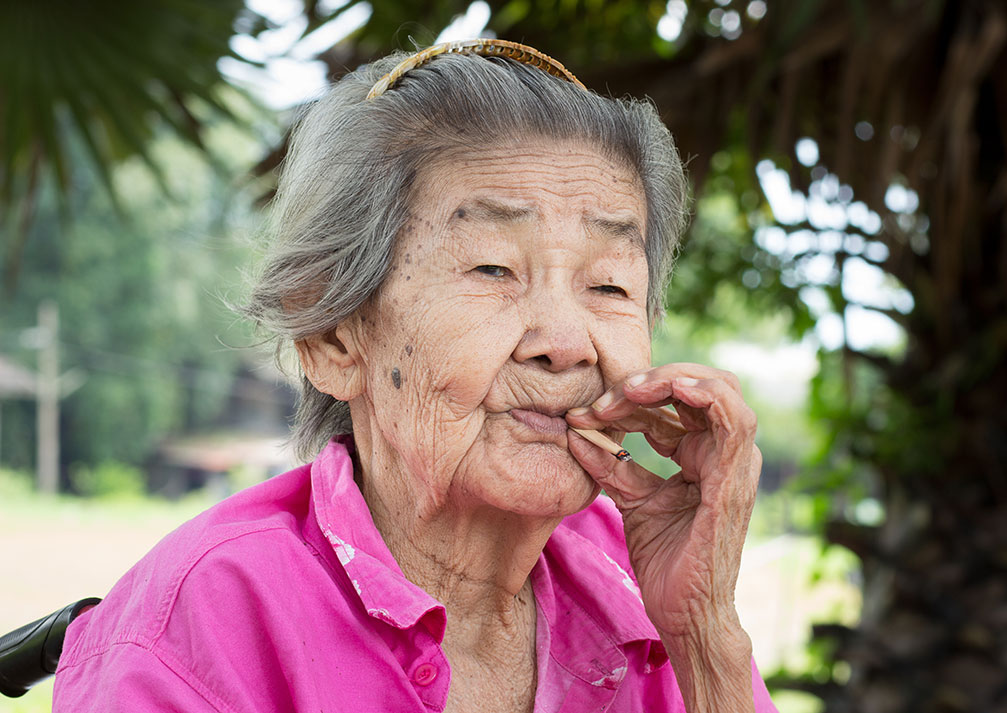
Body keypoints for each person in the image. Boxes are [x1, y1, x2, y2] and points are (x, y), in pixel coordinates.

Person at [53, 40, 777, 713]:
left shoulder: (638, 578)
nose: (565, 345)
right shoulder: (199, 629)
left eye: (610, 285)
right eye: (494, 268)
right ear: (334, 338)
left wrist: (704, 635)